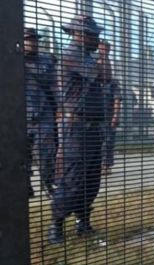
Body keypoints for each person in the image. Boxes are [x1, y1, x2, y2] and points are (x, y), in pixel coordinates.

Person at [48, 15, 105, 244]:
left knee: (91, 179)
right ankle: (56, 226)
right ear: (79, 34)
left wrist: (103, 56)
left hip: (91, 128)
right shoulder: (73, 55)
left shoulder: (87, 58)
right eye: (93, 35)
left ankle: (83, 222)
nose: (97, 38)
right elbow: (102, 75)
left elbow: (107, 77)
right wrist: (104, 55)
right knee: (70, 178)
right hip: (75, 128)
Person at [24, 27, 57, 198]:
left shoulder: (47, 61)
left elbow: (54, 85)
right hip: (20, 116)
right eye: (29, 39)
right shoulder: (11, 60)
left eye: (35, 39)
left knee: (46, 153)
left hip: (44, 114)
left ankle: (48, 183)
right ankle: (25, 184)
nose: (33, 42)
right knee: (22, 155)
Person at [98, 40, 122, 175]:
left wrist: (115, 116)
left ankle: (106, 165)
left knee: (107, 142)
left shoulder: (112, 83)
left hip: (107, 116)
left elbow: (117, 100)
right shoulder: (93, 80)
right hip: (95, 116)